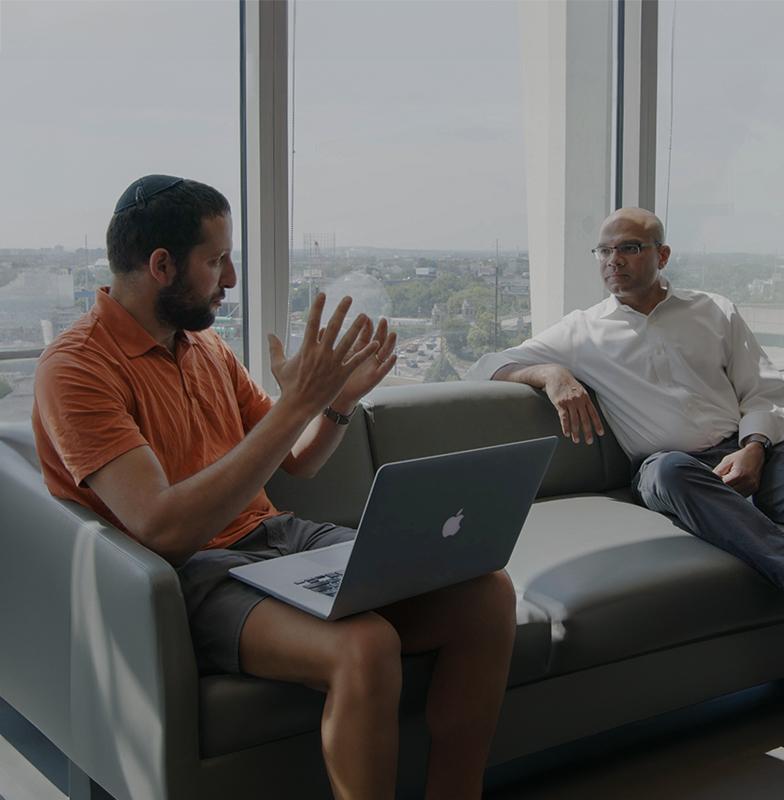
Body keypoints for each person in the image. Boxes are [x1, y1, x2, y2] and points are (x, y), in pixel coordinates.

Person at [33, 175, 517, 800]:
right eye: (216, 261)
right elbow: (162, 527)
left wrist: (336, 404)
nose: (230, 278)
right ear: (161, 266)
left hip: (276, 536)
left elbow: (299, 464)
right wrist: (298, 403)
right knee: (365, 645)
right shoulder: (76, 367)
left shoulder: (205, 348)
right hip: (191, 572)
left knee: (485, 594)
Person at [468, 206, 784, 599]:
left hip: (749, 450)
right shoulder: (583, 331)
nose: (613, 260)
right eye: (604, 251)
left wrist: (754, 449)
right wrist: (550, 373)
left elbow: (762, 388)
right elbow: (486, 365)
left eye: (629, 247)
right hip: (667, 470)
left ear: (662, 255)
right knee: (671, 469)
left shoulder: (715, 310)